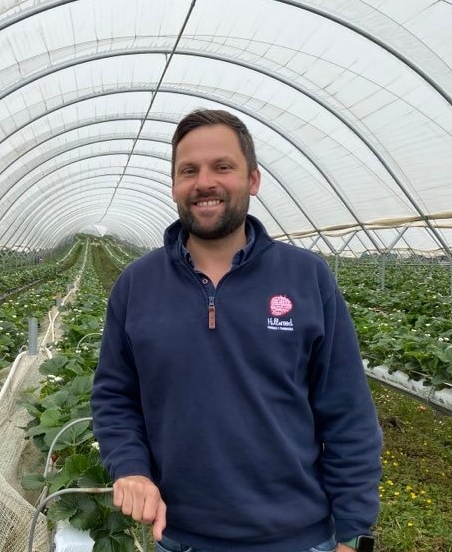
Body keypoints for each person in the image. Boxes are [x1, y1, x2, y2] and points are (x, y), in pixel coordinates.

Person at [90, 109, 382, 552]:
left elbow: (347, 411)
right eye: (189, 170)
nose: (204, 182)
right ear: (174, 186)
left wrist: (354, 530)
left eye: (222, 167)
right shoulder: (136, 285)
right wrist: (131, 468)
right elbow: (115, 396)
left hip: (300, 539)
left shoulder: (306, 277)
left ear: (253, 180)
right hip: (181, 539)